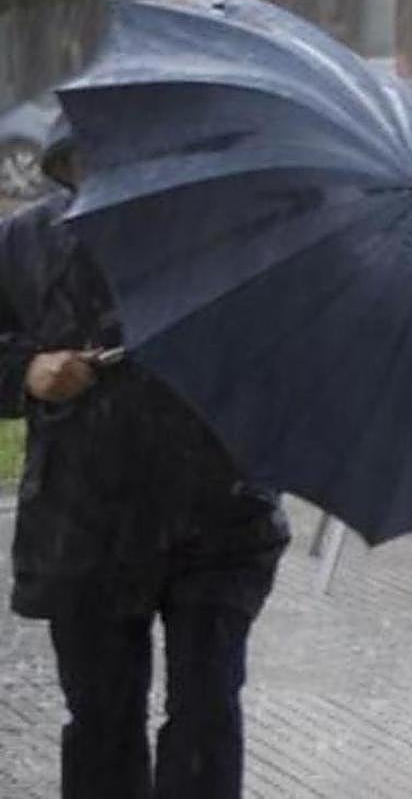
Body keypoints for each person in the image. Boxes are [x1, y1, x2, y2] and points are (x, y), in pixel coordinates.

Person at [0, 118, 290, 798]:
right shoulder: (26, 243)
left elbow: (292, 362)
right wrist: (27, 370)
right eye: (90, 164)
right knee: (102, 720)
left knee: (205, 714)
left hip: (221, 520)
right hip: (84, 521)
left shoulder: (237, 238)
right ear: (67, 165)